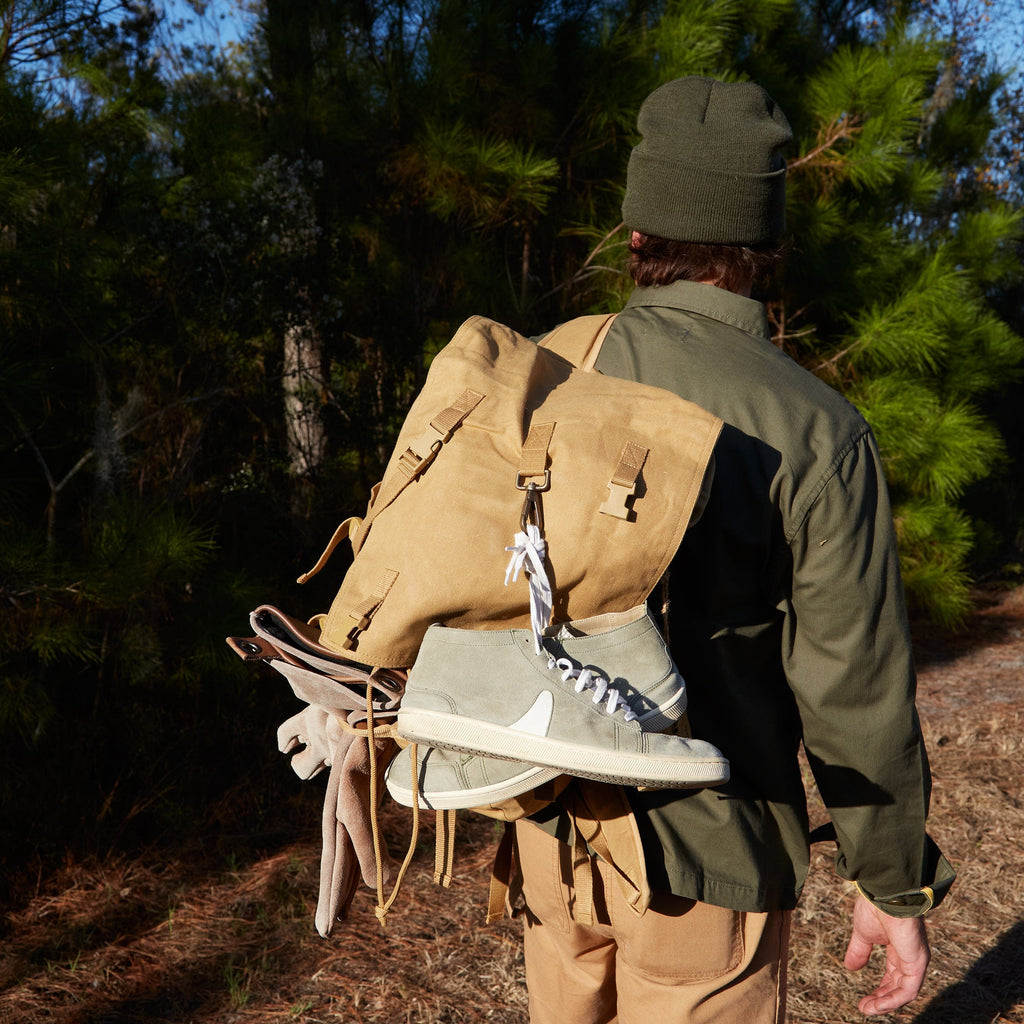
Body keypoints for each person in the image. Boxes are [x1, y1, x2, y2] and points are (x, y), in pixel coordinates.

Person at [512, 75, 955, 1024]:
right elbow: (852, 693)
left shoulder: (542, 369)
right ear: (766, 247)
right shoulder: (815, 430)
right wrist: (892, 882)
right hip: (708, 862)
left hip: (550, 834)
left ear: (638, 238)